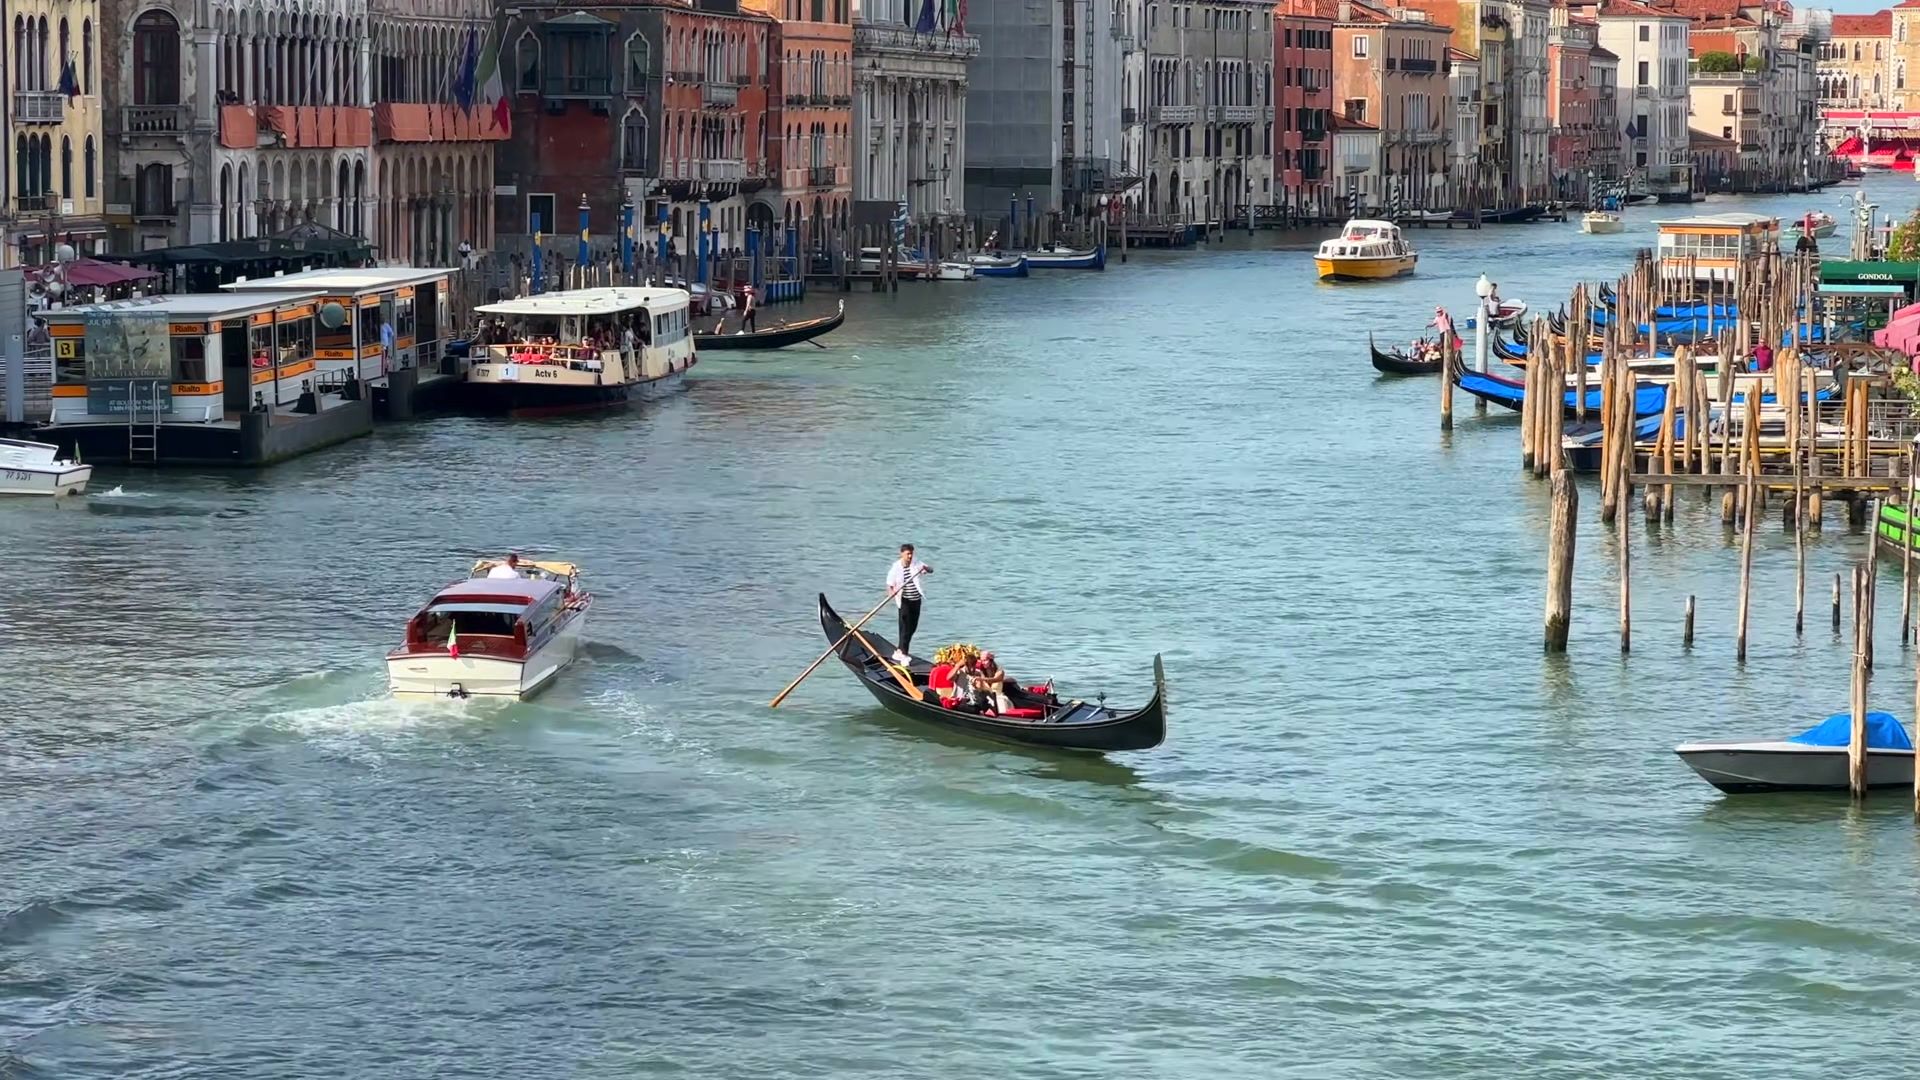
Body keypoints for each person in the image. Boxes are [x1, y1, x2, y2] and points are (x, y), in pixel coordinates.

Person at [885, 543, 932, 663]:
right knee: (904, 627)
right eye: (908, 554)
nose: (910, 556)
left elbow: (930, 569)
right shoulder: (896, 568)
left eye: (911, 553)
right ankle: (903, 653)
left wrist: (926, 569)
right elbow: (889, 584)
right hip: (904, 600)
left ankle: (900, 651)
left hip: (916, 600)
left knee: (913, 627)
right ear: (902, 554)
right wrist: (891, 593)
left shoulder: (916, 563)